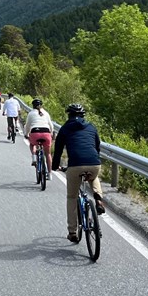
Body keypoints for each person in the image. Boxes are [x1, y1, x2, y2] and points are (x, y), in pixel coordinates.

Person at [51, 103, 105, 243]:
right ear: (83, 116)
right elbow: (97, 147)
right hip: (94, 163)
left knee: (72, 197)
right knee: (94, 177)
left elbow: (58, 151)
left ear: (69, 115)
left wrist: (55, 166)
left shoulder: (65, 129)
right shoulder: (91, 127)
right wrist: (94, 159)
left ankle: (72, 232)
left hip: (75, 165)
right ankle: (98, 200)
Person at [24, 98, 54, 174]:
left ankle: (34, 157)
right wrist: (52, 134)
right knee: (48, 154)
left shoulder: (31, 113)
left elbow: (27, 126)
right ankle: (49, 173)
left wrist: (26, 134)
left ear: (33, 106)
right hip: (46, 133)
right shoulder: (46, 113)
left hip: (35, 132)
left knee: (32, 144)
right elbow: (51, 126)